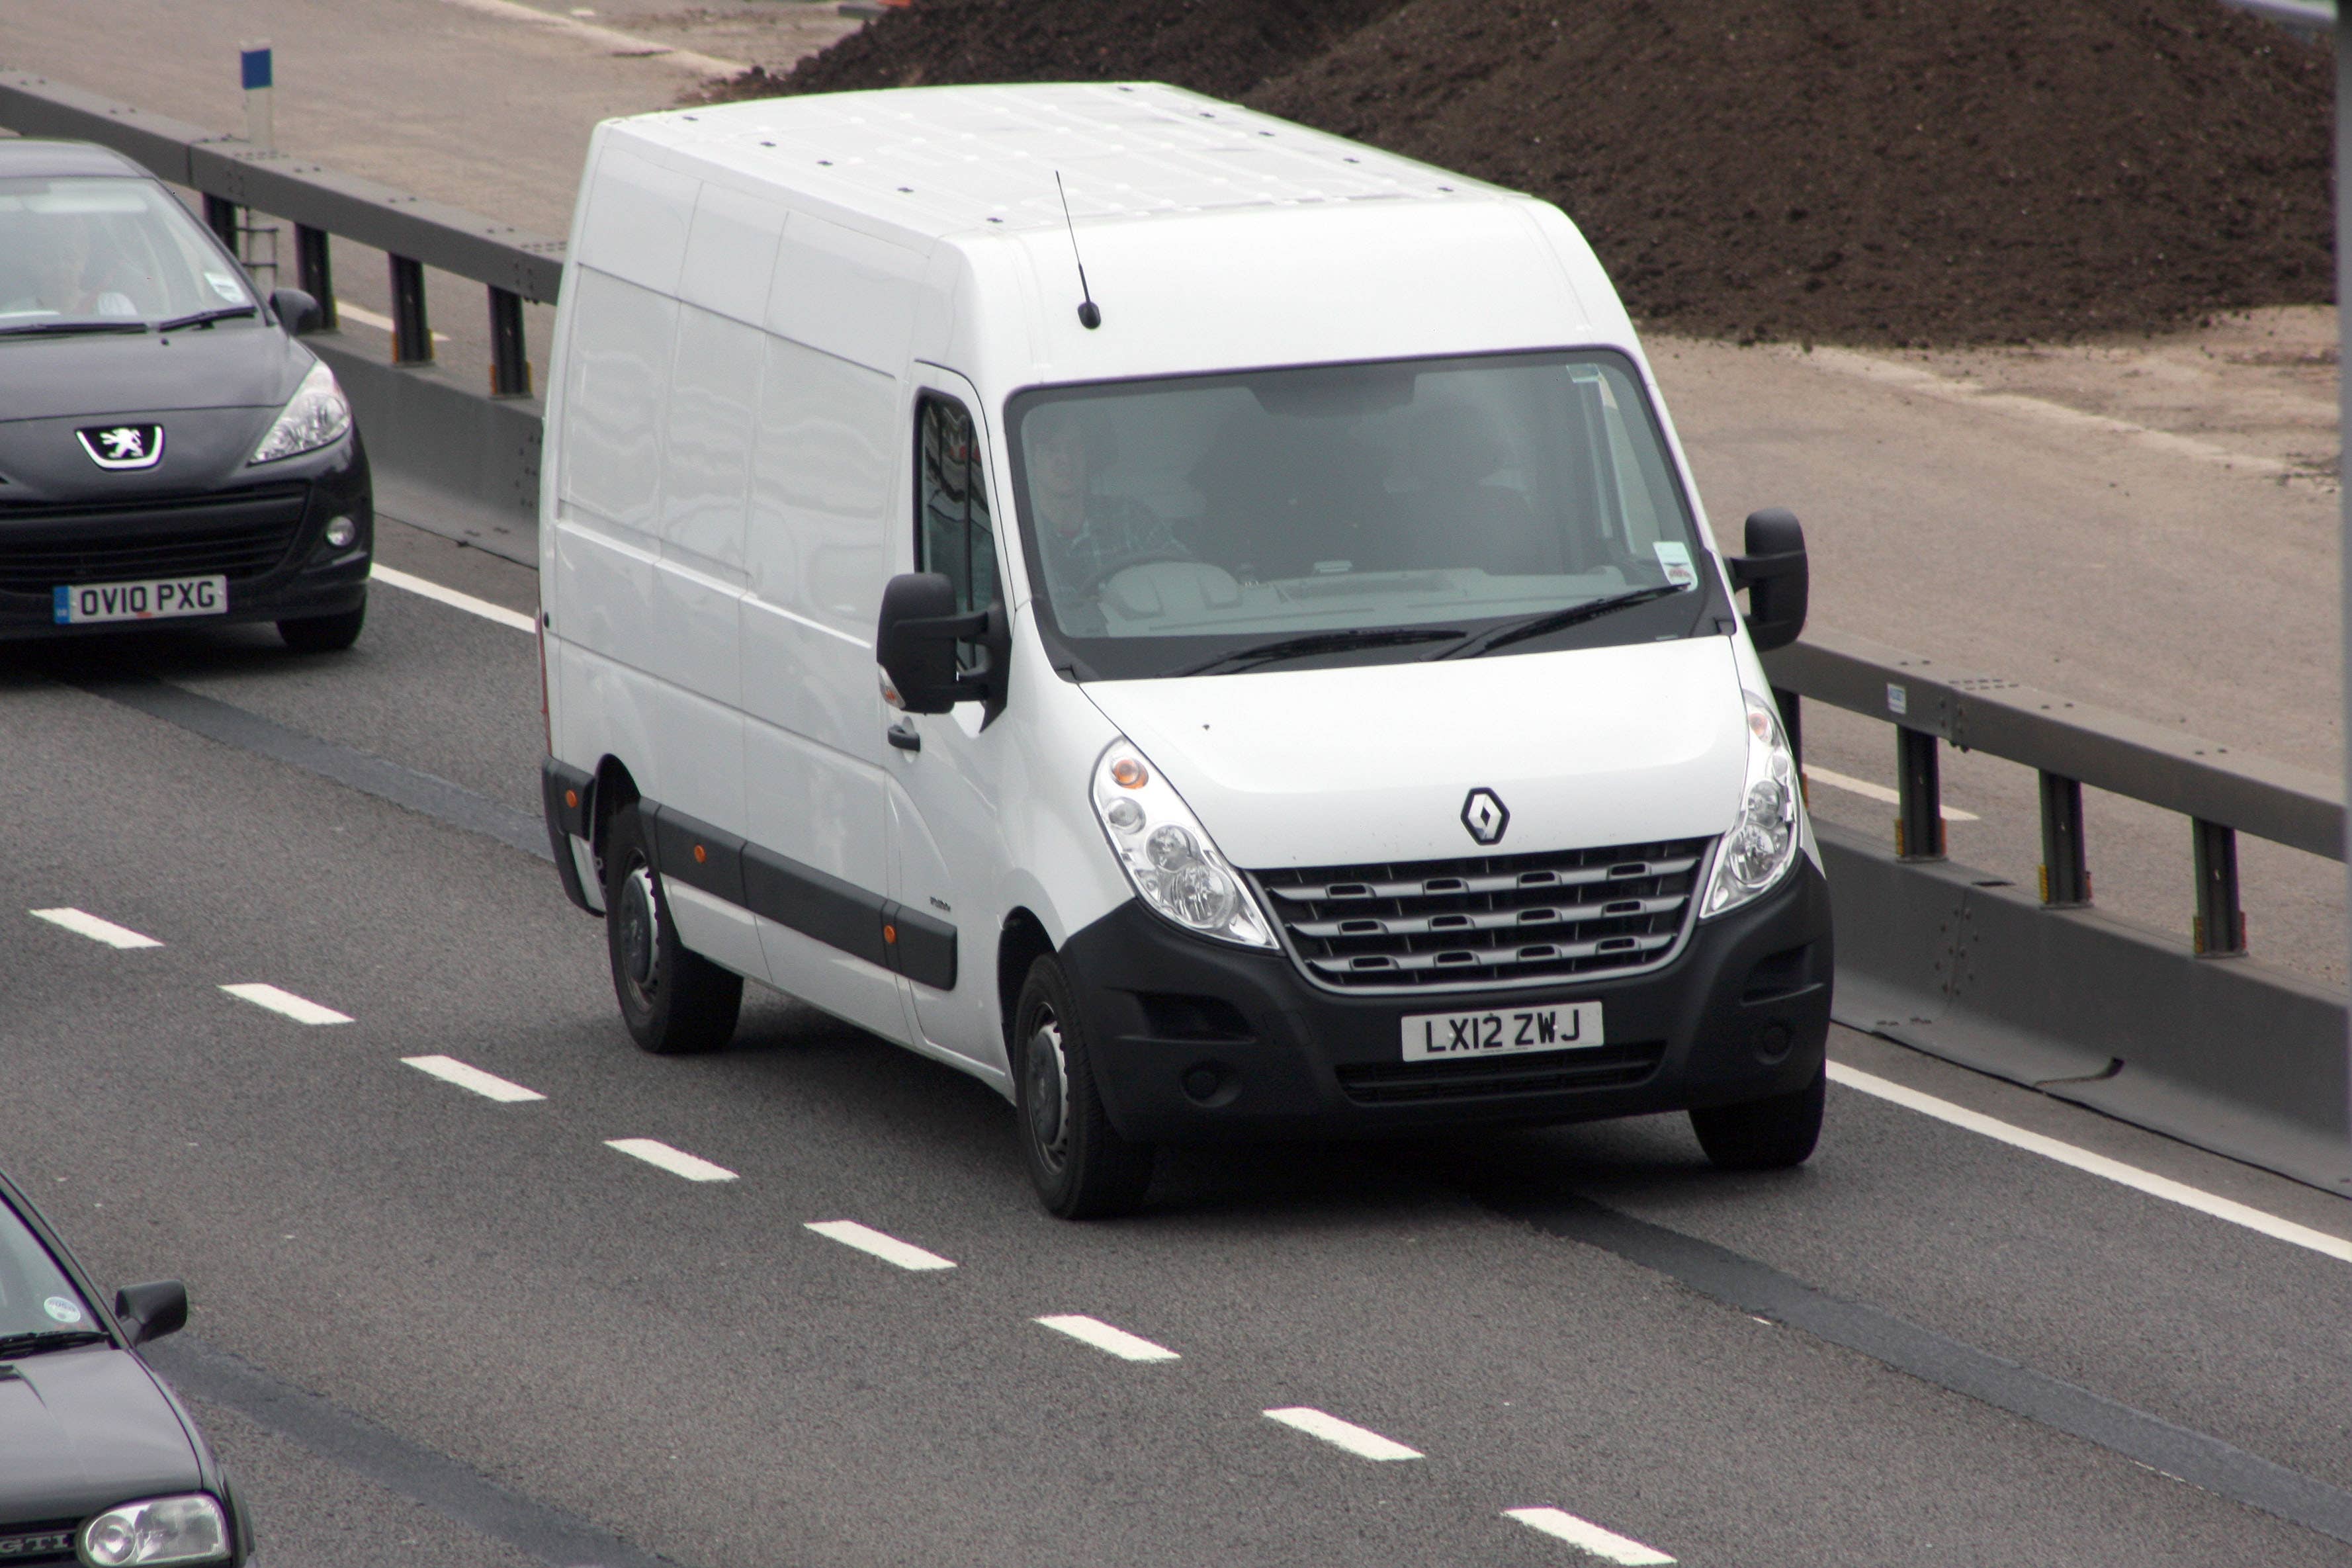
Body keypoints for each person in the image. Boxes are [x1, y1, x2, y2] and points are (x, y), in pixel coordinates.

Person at [1026, 403, 1186, 605]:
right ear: (1031, 457)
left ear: (1089, 454)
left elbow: (1186, 577)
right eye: (1051, 448)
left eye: (1074, 446)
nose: (1065, 458)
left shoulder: (1131, 517)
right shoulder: (1019, 534)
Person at [2, 220, 138, 319]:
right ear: (33, 263)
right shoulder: (14, 315)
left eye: (70, 257)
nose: (61, 266)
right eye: (50, 259)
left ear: (83, 260)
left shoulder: (116, 308)